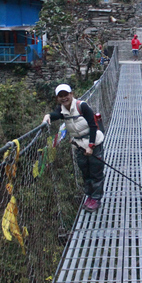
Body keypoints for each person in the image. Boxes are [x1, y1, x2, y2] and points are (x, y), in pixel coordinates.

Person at [42, 84, 105, 212]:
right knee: (85, 172)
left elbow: (93, 126)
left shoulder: (82, 106)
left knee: (95, 172)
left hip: (93, 143)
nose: (64, 98)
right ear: (57, 98)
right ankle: (90, 196)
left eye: (66, 94)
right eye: (61, 96)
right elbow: (55, 115)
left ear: (72, 94)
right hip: (78, 146)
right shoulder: (62, 110)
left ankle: (96, 199)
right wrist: (47, 115)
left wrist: (91, 146)